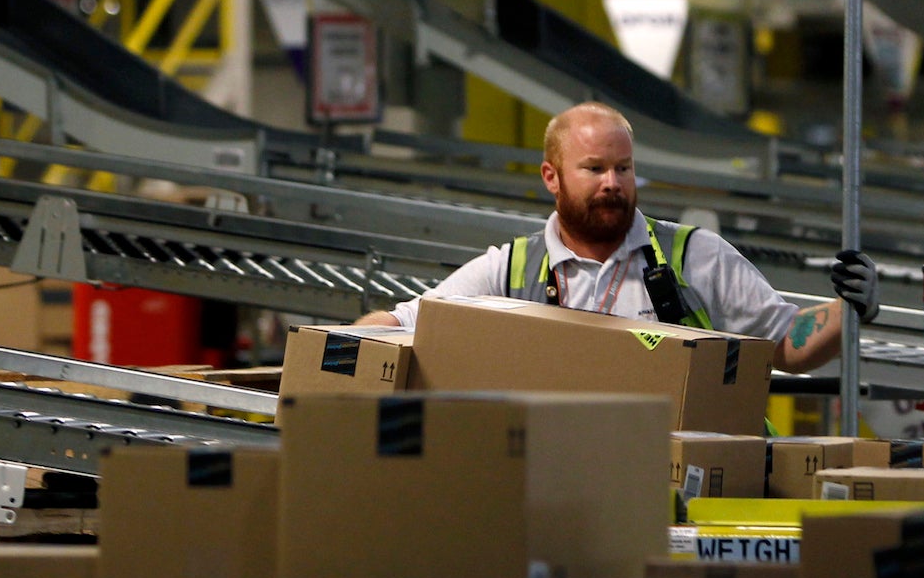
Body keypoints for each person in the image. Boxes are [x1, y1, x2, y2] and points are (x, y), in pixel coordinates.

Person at [358, 101, 878, 374]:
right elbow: (407, 322)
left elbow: (786, 342)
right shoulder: (511, 271)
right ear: (551, 176)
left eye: (624, 168)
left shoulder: (694, 256)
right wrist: (329, 357)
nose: (613, 183)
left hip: (681, 482)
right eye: (595, 168)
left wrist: (849, 307)